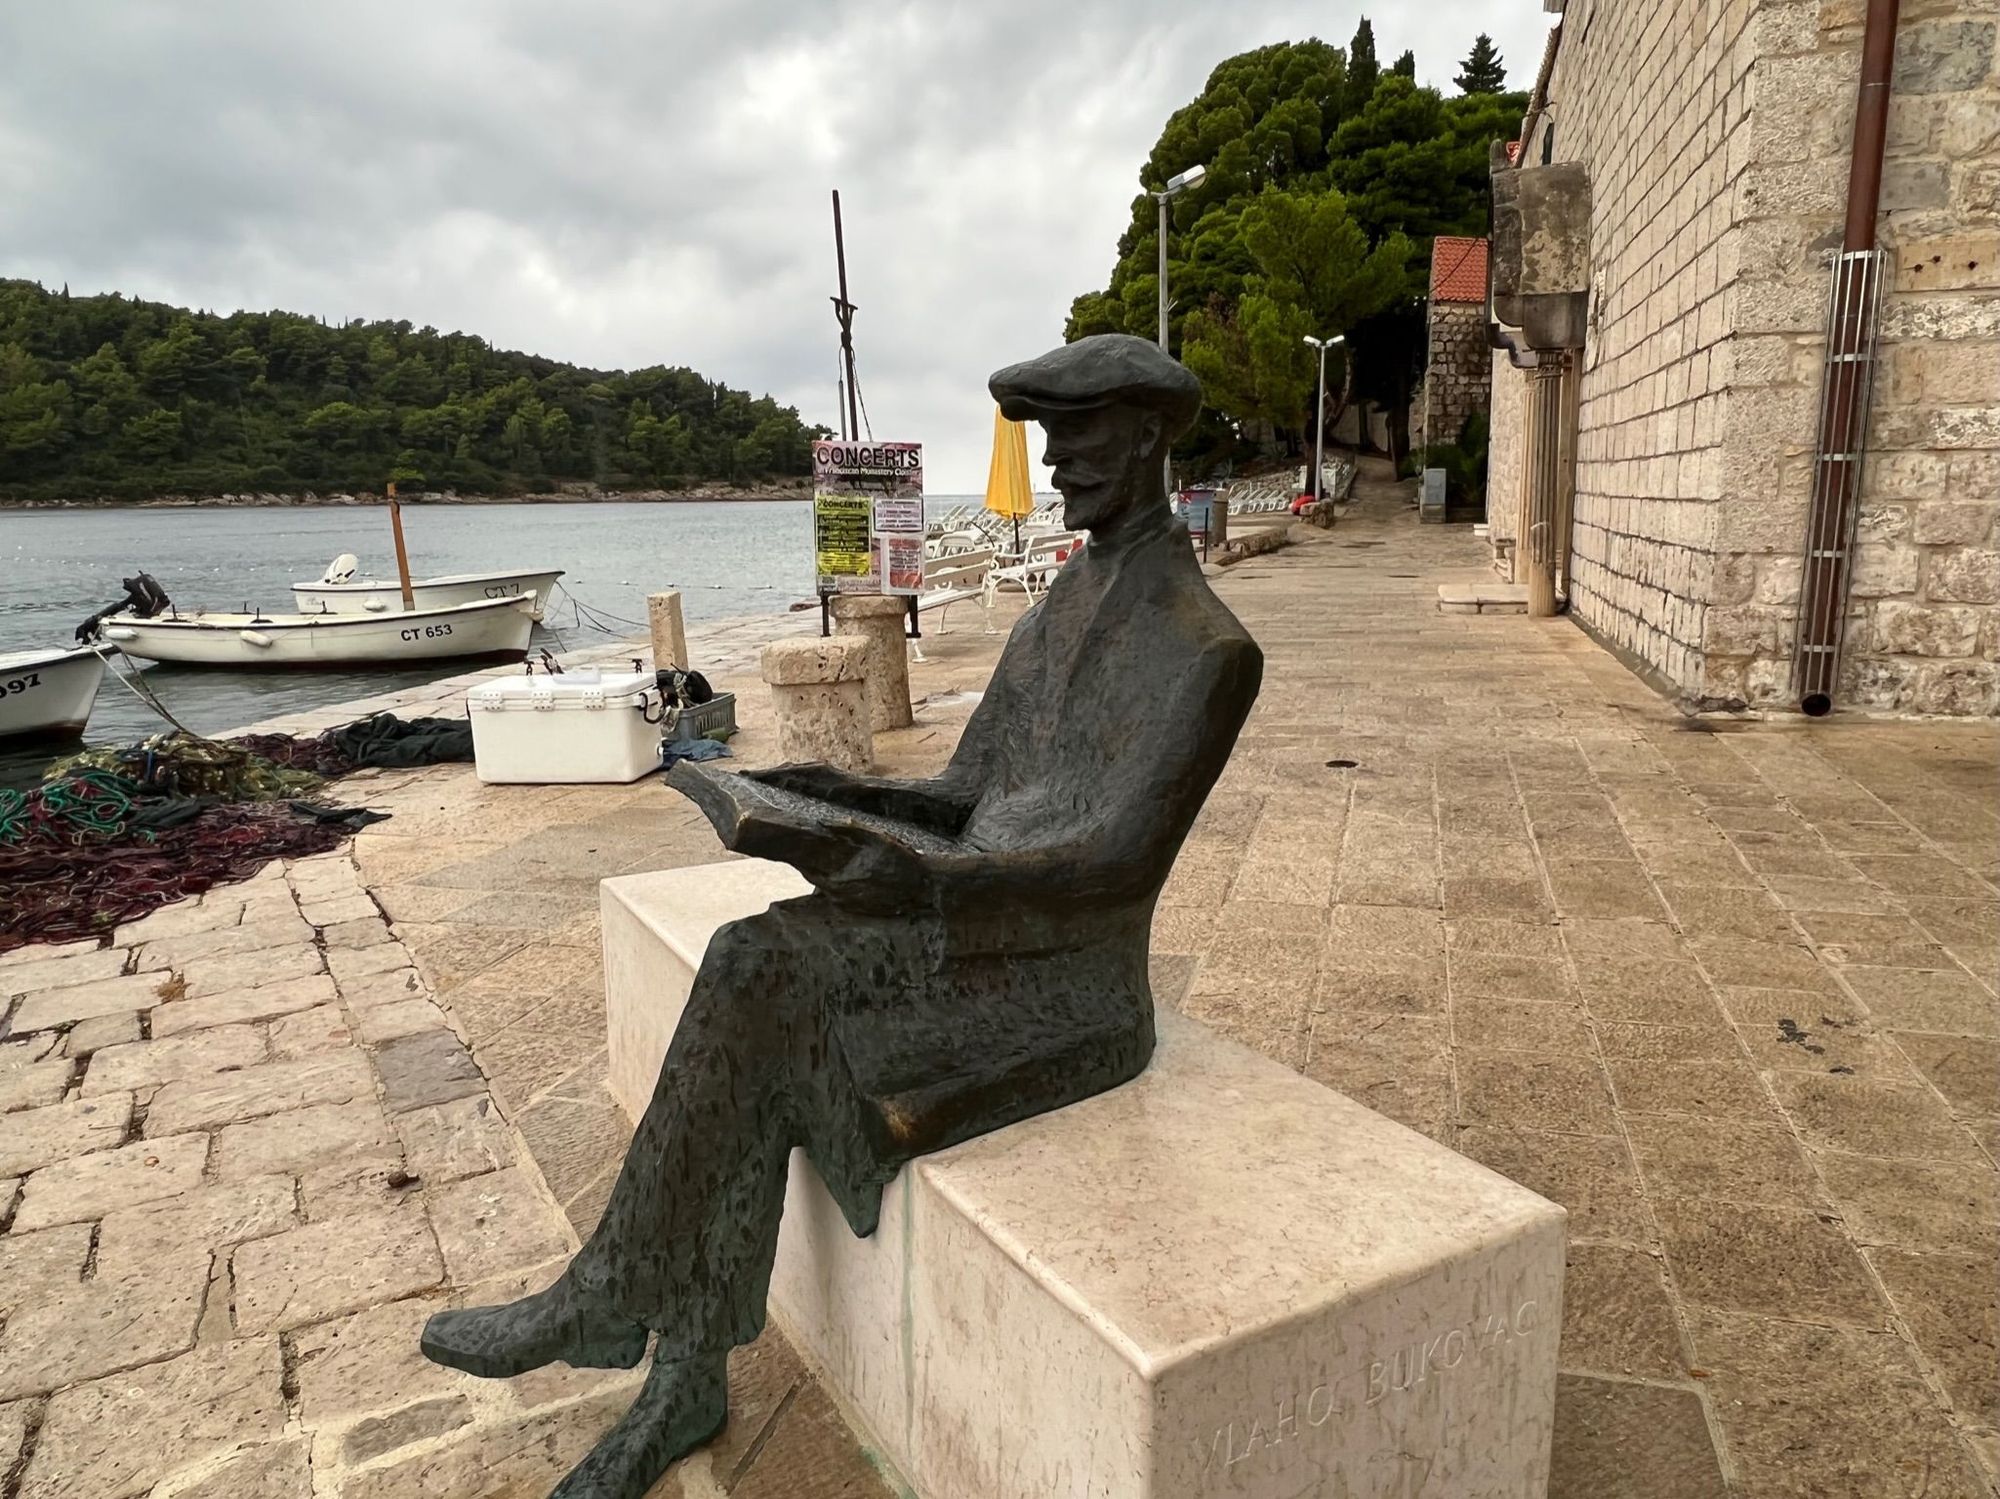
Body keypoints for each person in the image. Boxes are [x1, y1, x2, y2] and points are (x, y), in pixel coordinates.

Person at [419, 334, 1264, 1498]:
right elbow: (964, 793)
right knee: (760, 964)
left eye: (1082, 433)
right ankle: (673, 1362)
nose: (1058, 459)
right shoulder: (1056, 607)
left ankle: (635, 1325)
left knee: (763, 967)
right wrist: (837, 796)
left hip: (1067, 973)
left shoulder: (1206, 649)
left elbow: (1113, 868)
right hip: (974, 907)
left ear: (1152, 434)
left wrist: (920, 879)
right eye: (1048, 437)